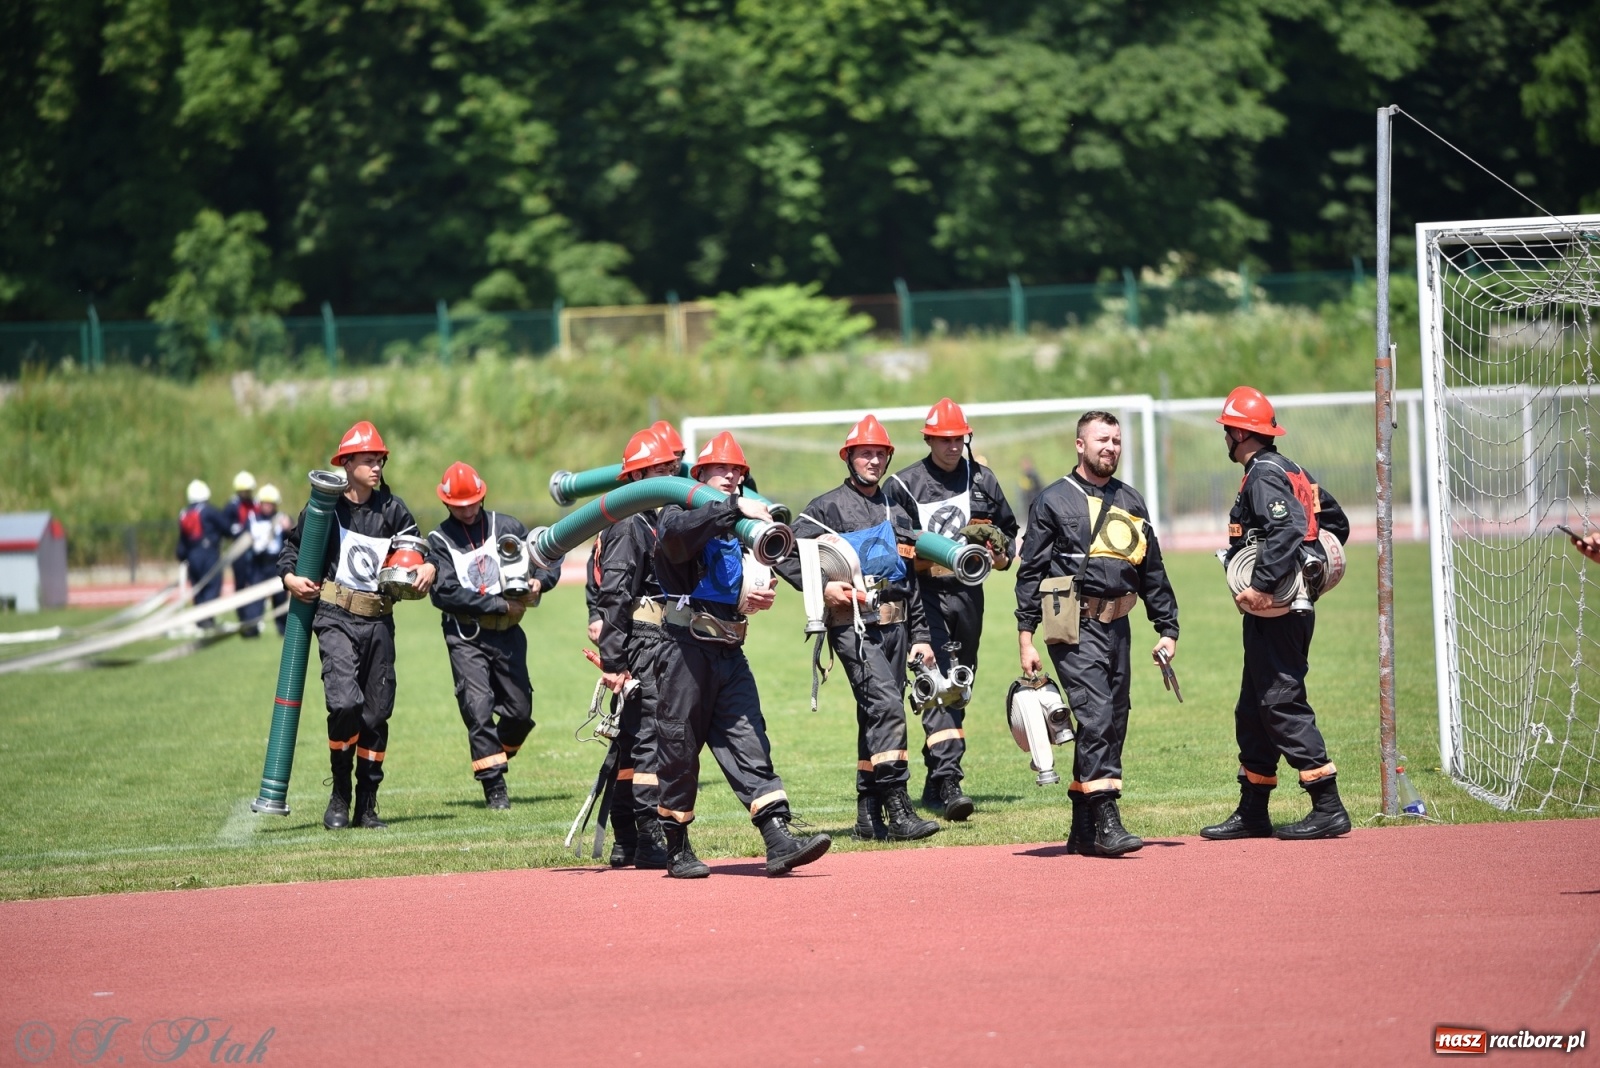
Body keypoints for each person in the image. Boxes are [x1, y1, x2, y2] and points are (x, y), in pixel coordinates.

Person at [645, 431, 831, 877]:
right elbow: (674, 539)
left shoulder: (738, 528)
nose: (731, 476)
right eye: (721, 470)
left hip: (728, 650)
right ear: (699, 475)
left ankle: (777, 837)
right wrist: (729, 509)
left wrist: (760, 596)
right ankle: (677, 848)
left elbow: (759, 568)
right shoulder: (679, 512)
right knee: (679, 749)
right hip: (683, 652)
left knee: (750, 738)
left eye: (737, 472)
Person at [1014, 411, 1179, 857]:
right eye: (1101, 440)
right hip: (1072, 626)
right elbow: (1030, 573)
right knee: (1096, 714)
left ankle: (1083, 827)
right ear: (1080, 445)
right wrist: (1026, 637)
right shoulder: (1052, 501)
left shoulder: (1132, 500)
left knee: (1112, 720)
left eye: (1116, 441)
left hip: (1119, 626)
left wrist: (1168, 628)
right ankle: (1108, 821)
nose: (1110, 447)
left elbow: (1153, 570)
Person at [776, 415, 941, 843]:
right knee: (887, 706)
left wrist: (921, 635)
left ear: (888, 458)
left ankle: (868, 814)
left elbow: (911, 578)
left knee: (876, 712)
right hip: (854, 627)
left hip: (898, 625)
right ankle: (900, 808)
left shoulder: (898, 508)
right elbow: (783, 552)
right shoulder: (825, 507)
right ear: (848, 458)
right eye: (864, 453)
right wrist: (823, 586)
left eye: (879, 453)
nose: (872, 460)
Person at [1201, 386, 1351, 841]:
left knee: (1279, 701)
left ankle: (1328, 805)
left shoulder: (1263, 473)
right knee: (1254, 708)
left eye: (1228, 430)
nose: (1226, 437)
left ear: (1239, 434)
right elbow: (1336, 525)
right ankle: (1253, 810)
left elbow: (1285, 528)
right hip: (1290, 606)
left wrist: (1263, 586)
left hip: (1280, 611)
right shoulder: (1292, 469)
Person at [279, 420, 435, 831]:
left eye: (380, 461)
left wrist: (429, 567)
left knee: (375, 715)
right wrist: (290, 578)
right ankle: (339, 793)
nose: (376, 467)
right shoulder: (324, 508)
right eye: (368, 460)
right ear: (346, 464)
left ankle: (367, 804)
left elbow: (417, 550)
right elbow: (292, 549)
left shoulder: (394, 509)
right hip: (335, 617)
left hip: (380, 620)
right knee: (344, 703)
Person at [885, 398, 1019, 820]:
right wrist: (936, 557)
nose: (952, 447)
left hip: (968, 596)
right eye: (944, 440)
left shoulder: (982, 477)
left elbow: (1009, 535)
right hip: (923, 596)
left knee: (960, 683)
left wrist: (999, 555)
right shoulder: (903, 485)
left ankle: (933, 778)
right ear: (928, 439)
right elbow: (895, 549)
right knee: (937, 680)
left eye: (958, 439)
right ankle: (949, 780)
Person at [425, 462, 560, 810]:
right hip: (466, 635)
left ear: (483, 496)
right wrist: (499, 604)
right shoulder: (438, 540)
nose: (468, 510)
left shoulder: (508, 526)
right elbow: (444, 594)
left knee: (519, 712)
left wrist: (539, 583)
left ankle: (493, 757)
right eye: (459, 505)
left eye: (473, 502)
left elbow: (549, 556)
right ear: (446, 504)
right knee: (478, 706)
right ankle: (494, 787)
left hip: (509, 635)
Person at [587, 427, 681, 869]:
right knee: (648, 738)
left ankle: (626, 838)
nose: (670, 476)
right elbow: (616, 596)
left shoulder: (654, 518)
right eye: (661, 470)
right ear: (638, 476)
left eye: (671, 468)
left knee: (632, 740)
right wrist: (614, 661)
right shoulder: (630, 525)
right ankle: (649, 835)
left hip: (660, 641)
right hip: (643, 644)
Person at [176, 479, 228, 622]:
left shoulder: (184, 513)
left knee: (197, 586)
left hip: (192, 555)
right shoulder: (208, 511)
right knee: (212, 585)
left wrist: (182, 555)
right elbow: (226, 526)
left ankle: (200, 619)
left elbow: (182, 540)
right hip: (209, 553)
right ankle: (207, 619)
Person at [223, 471, 265, 636]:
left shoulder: (256, 503)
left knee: (255, 584)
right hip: (240, 551)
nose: (245, 494)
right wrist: (237, 531)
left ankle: (254, 619)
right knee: (240, 585)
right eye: (243, 491)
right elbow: (225, 526)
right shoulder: (232, 506)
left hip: (255, 552)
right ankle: (243, 619)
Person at [252, 484, 293, 636]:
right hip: (258, 564)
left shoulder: (282, 518)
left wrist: (289, 528)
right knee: (255, 601)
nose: (268, 506)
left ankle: (283, 631)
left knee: (280, 600)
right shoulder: (252, 518)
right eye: (265, 503)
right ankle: (252, 631)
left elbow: (295, 537)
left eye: (271, 503)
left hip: (276, 563)